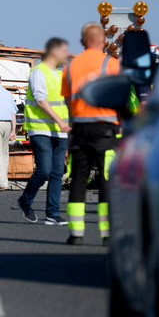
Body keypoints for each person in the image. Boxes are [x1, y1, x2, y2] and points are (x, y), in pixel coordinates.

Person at [61, 23, 120, 246]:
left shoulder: (70, 67)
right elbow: (121, 99)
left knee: (78, 179)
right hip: (106, 131)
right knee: (106, 181)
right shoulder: (113, 65)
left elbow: (68, 101)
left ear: (82, 41)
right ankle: (107, 235)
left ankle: (76, 234)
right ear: (104, 40)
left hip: (80, 130)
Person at [17, 37, 71, 225]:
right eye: (64, 51)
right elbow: (41, 100)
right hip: (40, 129)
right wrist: (60, 122)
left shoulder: (60, 75)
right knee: (44, 170)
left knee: (57, 173)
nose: (66, 54)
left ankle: (52, 214)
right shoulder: (38, 72)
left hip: (60, 131)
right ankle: (25, 201)